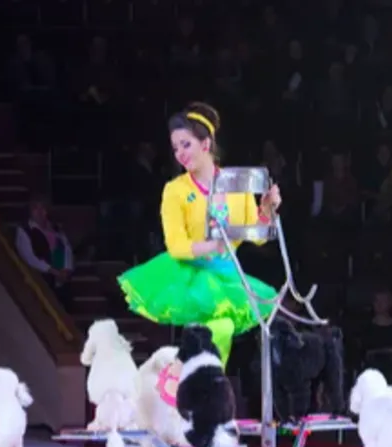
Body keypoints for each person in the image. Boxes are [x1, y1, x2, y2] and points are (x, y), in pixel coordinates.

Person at [117, 102, 282, 364]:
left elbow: (257, 236)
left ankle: (188, 378)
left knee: (219, 332)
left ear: (205, 144)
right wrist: (212, 246)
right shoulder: (176, 190)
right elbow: (176, 245)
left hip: (228, 277)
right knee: (215, 330)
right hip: (192, 277)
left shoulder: (237, 185)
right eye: (175, 148)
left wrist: (266, 210)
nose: (180, 154)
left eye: (186, 145)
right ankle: (192, 379)